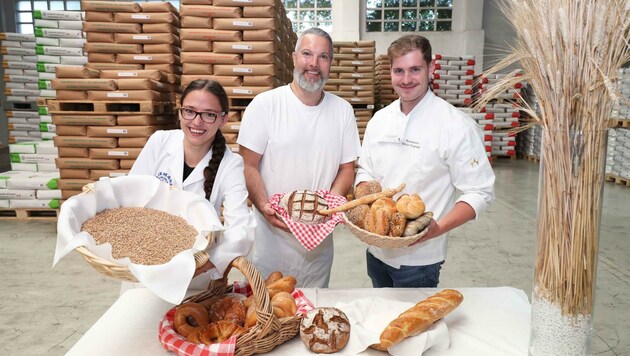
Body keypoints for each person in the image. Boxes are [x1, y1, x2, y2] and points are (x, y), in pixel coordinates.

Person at [355, 35, 495, 288]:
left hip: (421, 258)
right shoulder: (379, 120)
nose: (406, 79)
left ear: (430, 69)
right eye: (399, 71)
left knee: (413, 326)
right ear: (390, 72)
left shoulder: (456, 125)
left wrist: (438, 228)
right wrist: (363, 195)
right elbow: (365, 170)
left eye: (415, 70)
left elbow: (479, 192)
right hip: (375, 249)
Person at [237, 27, 361, 288]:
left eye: (323, 57)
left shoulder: (342, 111)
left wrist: (330, 208)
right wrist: (263, 206)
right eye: (307, 54)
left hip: (318, 244)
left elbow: (347, 168)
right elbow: (248, 165)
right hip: (271, 240)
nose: (314, 64)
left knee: (311, 314)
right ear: (294, 58)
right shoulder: (266, 105)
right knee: (268, 314)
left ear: (331, 64)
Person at [129, 79, 256, 289]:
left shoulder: (230, 164)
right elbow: (130, 197)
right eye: (190, 111)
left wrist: (199, 267)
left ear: (222, 119)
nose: (197, 122)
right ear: (180, 112)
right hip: (146, 265)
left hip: (195, 277)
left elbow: (240, 230)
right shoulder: (159, 142)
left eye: (208, 114)